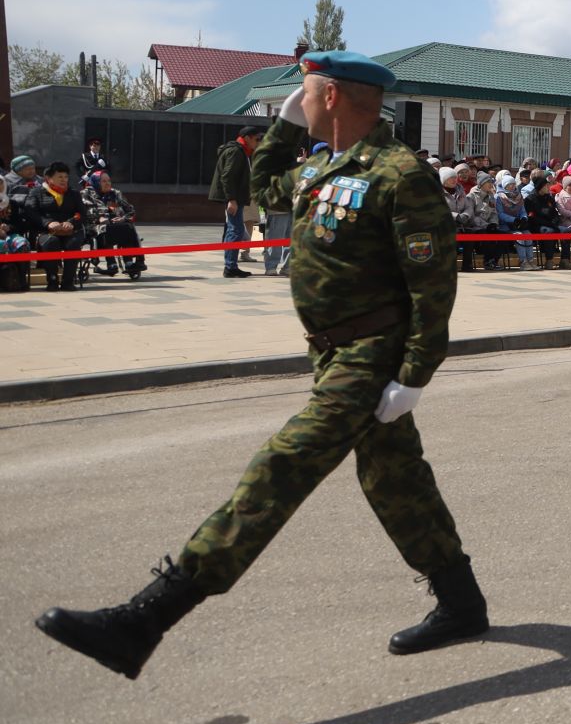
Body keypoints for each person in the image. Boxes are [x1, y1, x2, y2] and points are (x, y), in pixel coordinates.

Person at [35, 52, 487, 680]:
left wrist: (413, 372)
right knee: (394, 479)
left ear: (329, 95)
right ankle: (462, 604)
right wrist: (283, 127)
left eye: (304, 93)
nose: (297, 102)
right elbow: (264, 185)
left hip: (369, 354)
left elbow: (433, 283)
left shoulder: (399, 172)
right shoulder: (322, 166)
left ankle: (144, 620)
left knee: (282, 465)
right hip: (330, 352)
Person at [23, 162, 88, 290]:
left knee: (74, 244)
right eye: (60, 177)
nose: (64, 180)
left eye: (66, 177)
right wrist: (48, 223)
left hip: (69, 231)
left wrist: (71, 222)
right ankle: (52, 280)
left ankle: (68, 281)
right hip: (45, 232)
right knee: (51, 242)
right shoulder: (36, 192)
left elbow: (82, 214)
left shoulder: (73, 194)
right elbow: (31, 212)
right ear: (48, 178)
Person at [208, 126, 262, 278]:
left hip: (237, 197)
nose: (258, 143)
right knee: (235, 230)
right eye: (256, 139)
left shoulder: (241, 151)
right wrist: (231, 199)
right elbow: (228, 176)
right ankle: (230, 267)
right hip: (234, 198)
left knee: (235, 230)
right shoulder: (236, 152)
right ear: (247, 138)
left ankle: (231, 265)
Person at [82, 172, 148, 280]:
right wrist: (99, 218)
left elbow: (130, 210)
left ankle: (131, 262)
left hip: (116, 224)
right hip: (96, 225)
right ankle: (111, 264)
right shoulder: (86, 193)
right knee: (108, 229)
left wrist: (123, 218)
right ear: (96, 182)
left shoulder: (115, 193)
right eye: (103, 181)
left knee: (128, 227)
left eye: (109, 181)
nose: (107, 183)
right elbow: (86, 212)